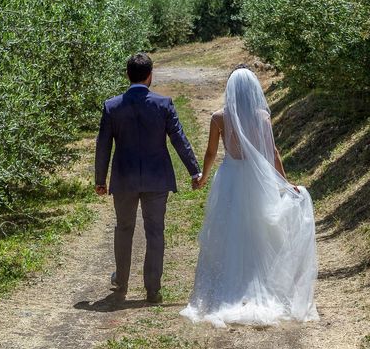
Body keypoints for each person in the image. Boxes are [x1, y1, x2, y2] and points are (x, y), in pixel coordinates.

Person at [180, 66, 318, 327]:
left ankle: (230, 286)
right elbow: (272, 153)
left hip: (230, 178)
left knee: (229, 231)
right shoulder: (261, 117)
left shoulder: (219, 118)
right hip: (257, 179)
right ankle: (261, 284)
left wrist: (203, 177)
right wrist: (285, 184)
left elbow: (211, 153)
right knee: (260, 231)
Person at [95, 53, 201, 303]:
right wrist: (194, 170)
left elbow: (103, 146)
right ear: (150, 75)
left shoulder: (112, 106)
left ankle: (121, 282)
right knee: (155, 232)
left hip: (124, 179)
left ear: (127, 75)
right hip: (156, 178)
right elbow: (179, 139)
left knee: (124, 229)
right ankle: (152, 288)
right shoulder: (163, 104)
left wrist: (100, 179)